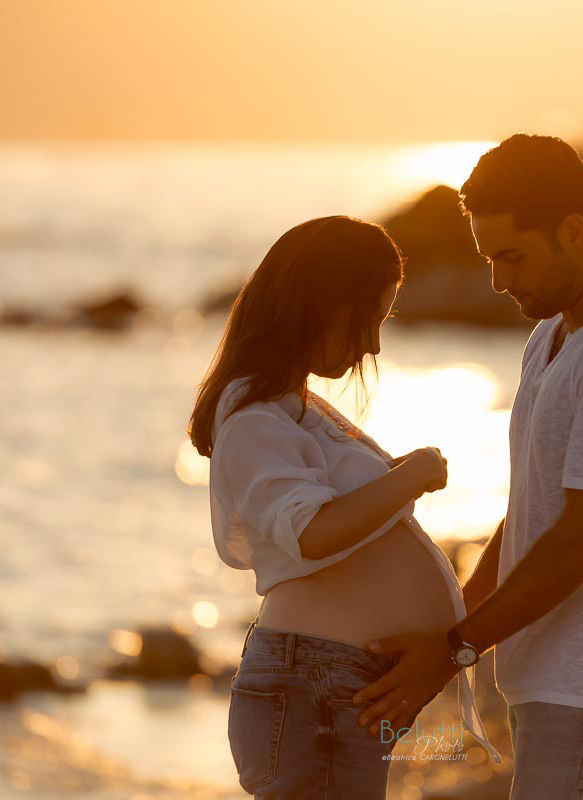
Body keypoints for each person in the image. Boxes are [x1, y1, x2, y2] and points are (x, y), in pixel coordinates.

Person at [349, 136, 583, 799]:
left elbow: (581, 543)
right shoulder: (554, 333)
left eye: (512, 256)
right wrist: (448, 629)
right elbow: (532, 513)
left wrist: (458, 646)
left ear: (574, 231)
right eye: (488, 259)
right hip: (562, 672)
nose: (497, 280)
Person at [187, 215, 503, 799]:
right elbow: (311, 531)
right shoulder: (254, 417)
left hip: (334, 686)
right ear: (318, 303)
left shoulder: (294, 408)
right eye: (368, 319)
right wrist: (409, 476)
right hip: (310, 686)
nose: (373, 344)